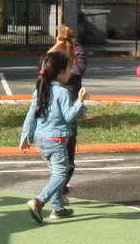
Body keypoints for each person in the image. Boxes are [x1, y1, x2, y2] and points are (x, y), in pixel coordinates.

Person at [19, 52, 88, 222]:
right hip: (56, 142)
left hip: (42, 141)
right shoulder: (62, 92)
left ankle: (57, 209)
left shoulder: (40, 91)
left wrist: (25, 138)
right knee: (61, 174)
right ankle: (39, 201)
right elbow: (69, 117)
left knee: (55, 174)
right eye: (68, 69)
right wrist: (80, 101)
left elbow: (31, 116)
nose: (71, 72)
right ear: (60, 72)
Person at [49, 26, 86, 182]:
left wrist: (60, 42)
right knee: (67, 160)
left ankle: (57, 187)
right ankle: (58, 189)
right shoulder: (74, 71)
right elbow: (81, 58)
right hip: (67, 120)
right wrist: (71, 40)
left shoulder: (51, 71)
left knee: (56, 160)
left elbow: (46, 58)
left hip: (50, 121)